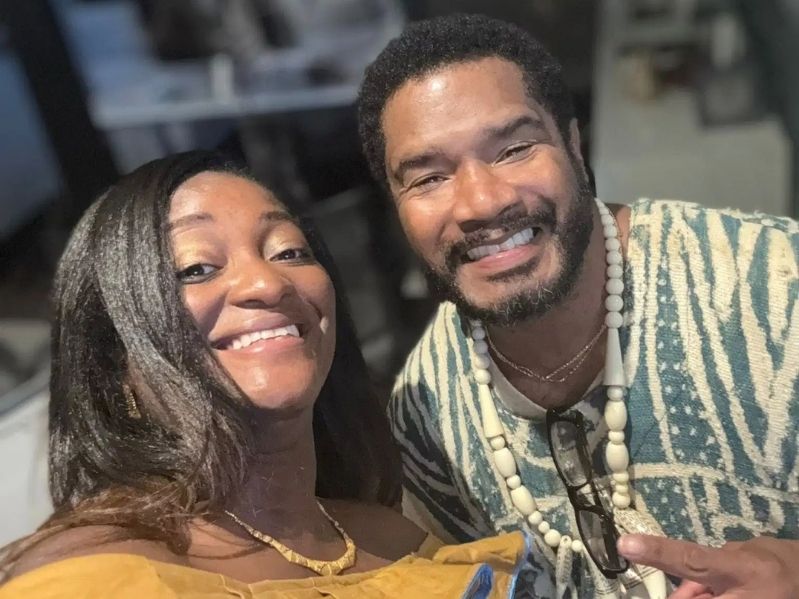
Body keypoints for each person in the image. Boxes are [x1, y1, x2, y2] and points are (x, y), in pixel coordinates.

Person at [357, 13, 799, 599]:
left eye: (514, 149)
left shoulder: (773, 290)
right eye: (429, 178)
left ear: (573, 144)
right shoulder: (427, 412)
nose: (480, 202)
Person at [0, 151, 537, 598]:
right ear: (114, 361)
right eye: (197, 268)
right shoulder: (89, 581)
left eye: (289, 251)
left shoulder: (398, 541)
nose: (267, 282)